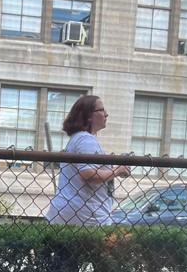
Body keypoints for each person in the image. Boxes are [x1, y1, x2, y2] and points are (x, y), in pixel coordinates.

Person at [46, 95, 131, 226]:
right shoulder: (85, 139)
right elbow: (89, 175)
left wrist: (112, 167)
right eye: (101, 110)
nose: (106, 114)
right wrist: (117, 171)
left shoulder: (80, 138)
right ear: (89, 116)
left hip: (79, 213)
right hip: (85, 216)